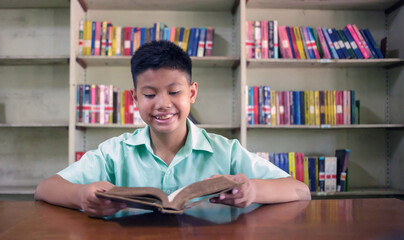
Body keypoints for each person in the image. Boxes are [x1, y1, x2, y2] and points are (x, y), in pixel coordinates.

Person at [35, 40, 310, 217]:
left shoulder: (225, 151)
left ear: (191, 93)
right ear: (135, 99)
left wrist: (253, 191)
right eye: (150, 94)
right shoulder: (113, 153)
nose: (163, 104)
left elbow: (300, 190)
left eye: (174, 92)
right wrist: (81, 196)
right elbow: (45, 189)